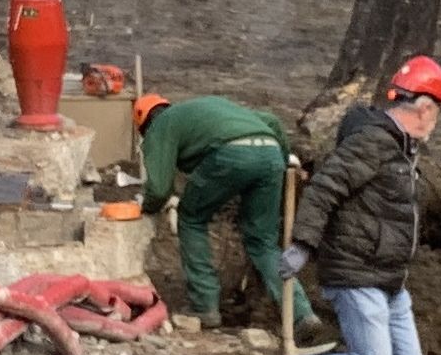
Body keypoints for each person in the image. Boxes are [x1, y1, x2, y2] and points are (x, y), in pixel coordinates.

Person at [268, 55, 441, 355]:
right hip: (357, 272)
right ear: (424, 109)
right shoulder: (374, 143)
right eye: (436, 115)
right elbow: (326, 188)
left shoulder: (400, 149)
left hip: (389, 279)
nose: (435, 125)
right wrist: (303, 246)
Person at [138, 91, 322, 337]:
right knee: (263, 242)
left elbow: (159, 188)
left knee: (191, 218)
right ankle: (301, 314)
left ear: (144, 124)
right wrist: (282, 158)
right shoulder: (204, 110)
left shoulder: (161, 124)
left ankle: (205, 307)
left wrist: (146, 207)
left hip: (230, 155)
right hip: (269, 155)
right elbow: (272, 122)